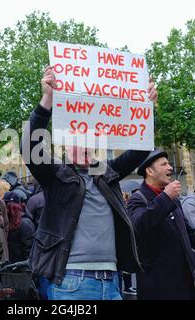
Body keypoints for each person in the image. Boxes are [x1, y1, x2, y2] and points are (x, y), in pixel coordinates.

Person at [20, 66, 157, 300]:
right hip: (72, 282)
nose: (84, 145)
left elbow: (141, 149)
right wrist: (48, 99)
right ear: (64, 146)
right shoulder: (55, 174)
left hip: (112, 281)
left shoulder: (108, 173)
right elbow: (28, 148)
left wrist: (147, 110)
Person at [126, 148, 195, 300]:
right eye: (164, 164)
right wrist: (165, 197)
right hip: (161, 287)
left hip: (187, 283)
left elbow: (191, 235)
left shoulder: (173, 200)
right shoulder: (138, 199)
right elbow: (139, 227)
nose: (170, 167)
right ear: (150, 171)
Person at [4, 191, 35, 263]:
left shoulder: (25, 223)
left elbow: (29, 249)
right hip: (12, 265)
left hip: (20, 267)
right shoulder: (5, 222)